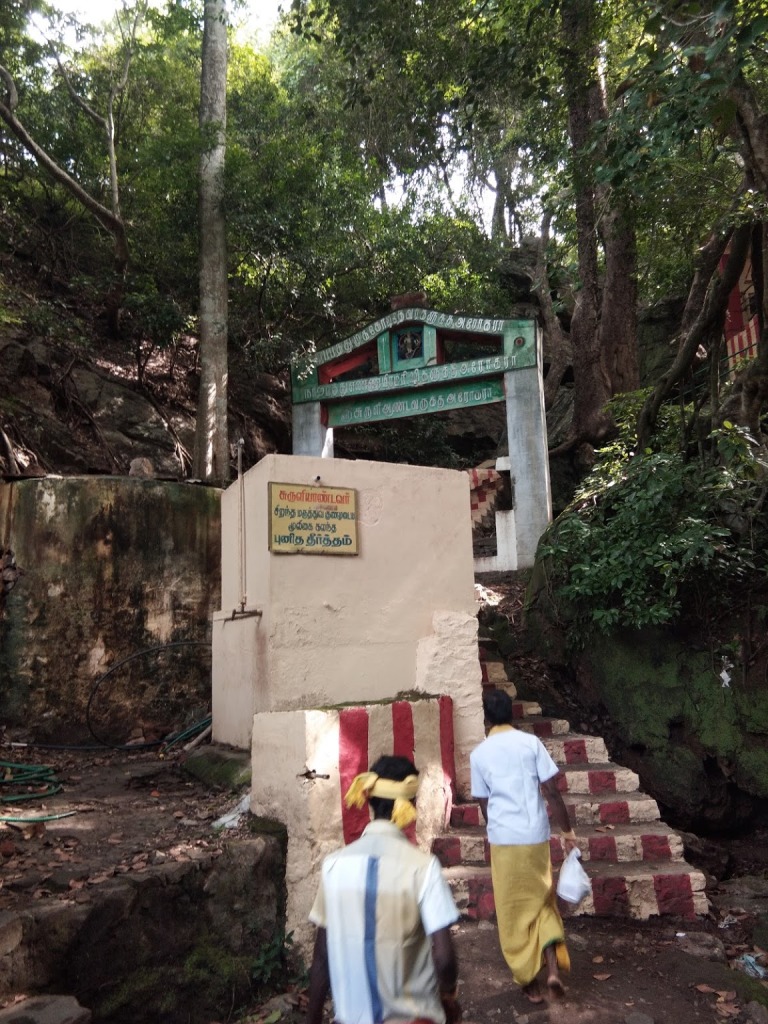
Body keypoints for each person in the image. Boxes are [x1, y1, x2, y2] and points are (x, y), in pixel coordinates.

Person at [305, 754, 462, 1024]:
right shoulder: (422, 868)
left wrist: (312, 1018)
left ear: (369, 800)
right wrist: (448, 998)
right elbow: (445, 959)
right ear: (411, 804)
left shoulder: (333, 867)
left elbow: (321, 959)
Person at [469, 688, 578, 1005]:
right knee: (542, 902)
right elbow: (552, 792)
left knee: (513, 911)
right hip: (534, 836)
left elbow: (483, 801)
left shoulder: (479, 754)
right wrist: (568, 832)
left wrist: (497, 826)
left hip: (505, 838)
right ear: (512, 714)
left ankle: (529, 982)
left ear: (486, 718)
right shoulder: (530, 743)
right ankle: (553, 970)